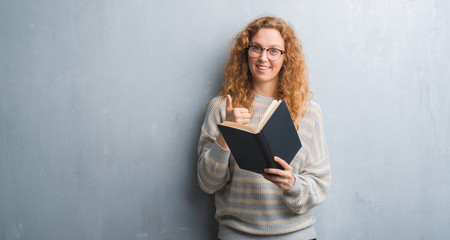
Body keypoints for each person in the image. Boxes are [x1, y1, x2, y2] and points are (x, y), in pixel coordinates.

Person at [197, 16, 330, 240]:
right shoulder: (221, 108)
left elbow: (319, 185)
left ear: (286, 57)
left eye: (274, 50)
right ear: (245, 52)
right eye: (256, 48)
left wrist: (293, 184)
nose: (263, 57)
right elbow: (207, 183)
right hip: (236, 235)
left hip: (296, 235)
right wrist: (225, 136)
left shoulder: (309, 112)